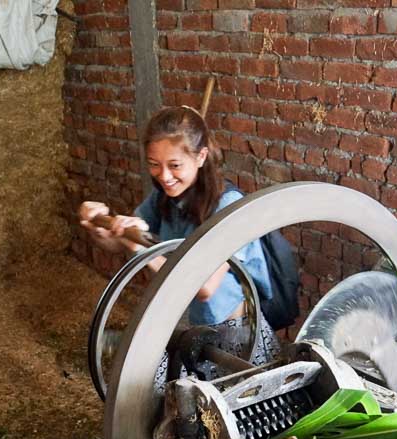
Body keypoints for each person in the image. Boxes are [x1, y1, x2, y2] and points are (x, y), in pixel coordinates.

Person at [78, 106, 280, 372]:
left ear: (200, 156)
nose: (164, 176)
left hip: (236, 337)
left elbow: (204, 288)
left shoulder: (229, 206)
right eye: (154, 165)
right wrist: (100, 228)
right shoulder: (165, 198)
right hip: (190, 326)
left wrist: (137, 246)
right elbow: (121, 243)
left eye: (174, 165)